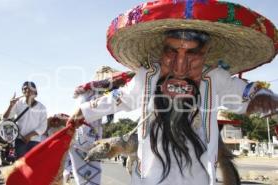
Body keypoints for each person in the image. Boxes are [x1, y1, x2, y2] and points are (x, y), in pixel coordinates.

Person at [66, 1, 278, 185]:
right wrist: (83, 112)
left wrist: (264, 99)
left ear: (205, 54)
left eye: (192, 54)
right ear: (162, 51)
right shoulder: (147, 77)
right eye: (172, 52)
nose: (179, 67)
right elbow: (118, 98)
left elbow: (252, 93)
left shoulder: (215, 79)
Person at [3, 81, 47, 159]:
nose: (27, 90)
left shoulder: (41, 107)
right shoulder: (17, 103)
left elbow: (43, 127)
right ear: (23, 92)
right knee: (21, 166)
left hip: (35, 141)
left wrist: (30, 135)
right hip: (20, 141)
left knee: (33, 166)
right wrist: (10, 106)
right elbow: (5, 118)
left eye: (30, 88)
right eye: (25, 88)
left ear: (35, 91)